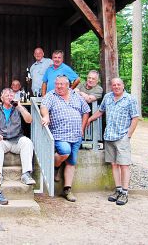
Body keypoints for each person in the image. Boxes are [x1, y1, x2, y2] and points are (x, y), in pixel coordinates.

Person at [87, 78, 139, 206]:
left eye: (118, 84)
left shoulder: (130, 99)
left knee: (124, 165)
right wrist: (89, 120)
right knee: (114, 164)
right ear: (111, 86)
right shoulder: (108, 97)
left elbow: (135, 118)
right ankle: (118, 190)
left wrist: (129, 135)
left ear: (123, 85)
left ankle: (125, 193)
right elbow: (100, 111)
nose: (116, 87)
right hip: (109, 135)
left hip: (122, 137)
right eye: (114, 85)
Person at [40, 75, 90, 202]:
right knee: (64, 151)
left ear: (68, 85)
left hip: (76, 135)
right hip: (59, 134)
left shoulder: (76, 95)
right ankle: (55, 167)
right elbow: (44, 106)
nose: (59, 86)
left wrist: (82, 128)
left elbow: (86, 111)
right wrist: (46, 116)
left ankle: (67, 190)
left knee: (71, 162)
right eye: (57, 84)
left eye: (62, 84)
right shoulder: (51, 95)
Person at [0, 88, 36, 185]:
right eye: (7, 96)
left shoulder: (18, 108)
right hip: (3, 141)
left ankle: (26, 174)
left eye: (11, 96)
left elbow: (29, 120)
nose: (10, 98)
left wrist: (20, 107)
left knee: (27, 142)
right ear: (2, 98)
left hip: (17, 140)